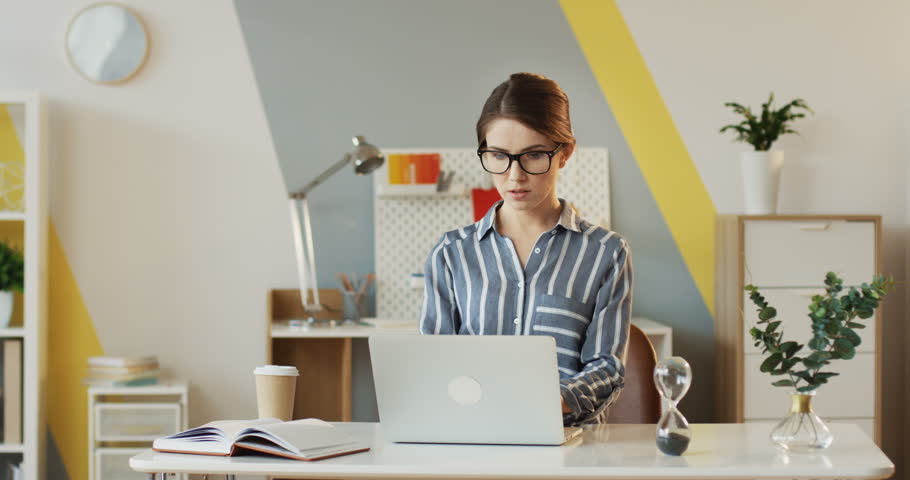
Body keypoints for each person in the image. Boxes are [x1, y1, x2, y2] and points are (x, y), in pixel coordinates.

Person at [418, 72, 633, 426]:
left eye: (533, 156)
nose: (514, 176)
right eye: (498, 156)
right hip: (472, 438)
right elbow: (432, 361)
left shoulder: (606, 253)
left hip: (567, 446)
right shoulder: (451, 253)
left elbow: (607, 367)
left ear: (564, 154)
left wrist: (546, 402)